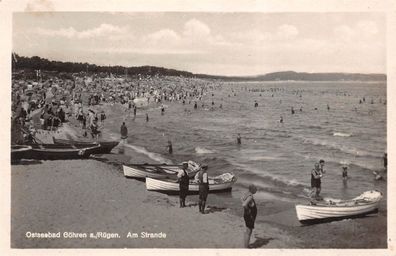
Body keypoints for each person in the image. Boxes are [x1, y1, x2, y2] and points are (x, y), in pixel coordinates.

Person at [241, 184, 257, 248]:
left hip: (247, 215)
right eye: (255, 189)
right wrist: (247, 209)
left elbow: (241, 199)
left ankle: (246, 245)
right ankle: (246, 247)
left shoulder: (246, 194)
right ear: (252, 189)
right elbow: (244, 204)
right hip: (250, 216)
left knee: (247, 230)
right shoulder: (250, 196)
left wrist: (246, 208)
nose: (256, 190)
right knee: (249, 231)